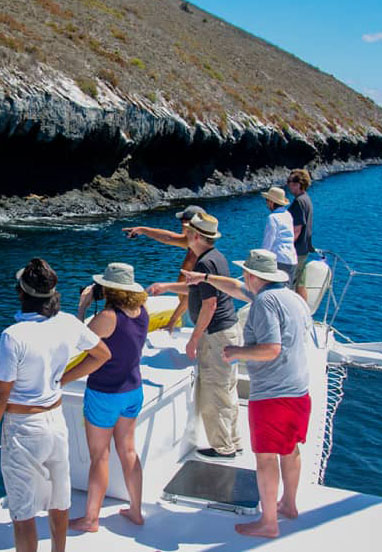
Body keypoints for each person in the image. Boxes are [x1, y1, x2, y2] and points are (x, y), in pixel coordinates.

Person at [0, 258, 111, 552]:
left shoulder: (13, 336)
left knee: (23, 512)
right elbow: (102, 354)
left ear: (21, 293)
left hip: (23, 428)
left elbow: (0, 396)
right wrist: (63, 379)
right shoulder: (67, 323)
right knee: (59, 501)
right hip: (55, 422)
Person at [182, 248, 312, 539]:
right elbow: (237, 289)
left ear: (253, 275)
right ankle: (288, 506)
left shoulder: (265, 302)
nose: (243, 277)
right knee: (290, 450)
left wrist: (237, 351)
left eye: (245, 274)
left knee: (266, 458)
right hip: (298, 391)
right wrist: (203, 277)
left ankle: (268, 523)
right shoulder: (290, 297)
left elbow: (271, 349)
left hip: (273, 395)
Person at [148, 212, 242, 460]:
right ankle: (233, 440)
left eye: (189, 232)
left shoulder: (204, 263)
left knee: (214, 391)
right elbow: (195, 288)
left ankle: (223, 448)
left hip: (216, 335)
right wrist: (168, 286)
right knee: (226, 389)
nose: (185, 235)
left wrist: (194, 338)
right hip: (226, 331)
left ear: (197, 236)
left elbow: (209, 305)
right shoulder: (214, 257)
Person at [69, 262, 149, 533]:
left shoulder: (108, 317)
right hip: (132, 391)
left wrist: (82, 307)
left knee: (100, 456)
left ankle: (91, 519)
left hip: (105, 393)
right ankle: (136, 511)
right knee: (128, 451)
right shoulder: (141, 312)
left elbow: (76, 342)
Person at [122, 205, 205, 331]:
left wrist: (172, 321)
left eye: (182, 223)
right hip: (190, 310)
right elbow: (168, 237)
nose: (181, 226)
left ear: (189, 225)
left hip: (194, 312)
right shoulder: (194, 243)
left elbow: (192, 292)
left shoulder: (198, 254)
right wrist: (142, 230)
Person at [261, 186, 297, 284]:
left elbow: (268, 242)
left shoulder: (272, 218)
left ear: (272, 202)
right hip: (292, 258)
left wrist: (260, 260)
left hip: (279, 259)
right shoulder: (288, 214)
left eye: (267, 201)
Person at [287, 169, 314, 301]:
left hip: (296, 250)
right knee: (300, 283)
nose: (288, 185)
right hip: (304, 249)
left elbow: (296, 230)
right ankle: (305, 313)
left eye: (291, 182)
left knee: (290, 284)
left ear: (299, 184)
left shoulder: (298, 203)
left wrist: (287, 248)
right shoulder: (306, 199)